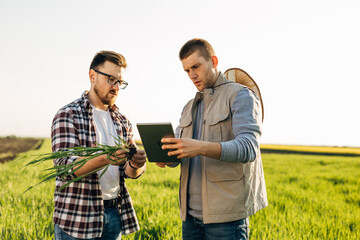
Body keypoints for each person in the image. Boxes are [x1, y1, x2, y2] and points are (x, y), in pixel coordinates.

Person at [157, 38, 268, 240]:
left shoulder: (241, 95)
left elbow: (249, 148)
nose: (191, 75)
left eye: (196, 67)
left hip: (227, 219)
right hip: (189, 218)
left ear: (214, 61)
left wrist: (200, 147)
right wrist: (167, 157)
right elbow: (182, 151)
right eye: (187, 70)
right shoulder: (189, 106)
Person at [51, 50, 146, 240]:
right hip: (77, 217)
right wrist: (107, 158)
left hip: (114, 214)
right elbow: (65, 167)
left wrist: (136, 164)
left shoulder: (122, 121)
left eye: (120, 82)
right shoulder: (68, 115)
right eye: (111, 79)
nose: (116, 86)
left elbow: (128, 174)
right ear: (92, 75)